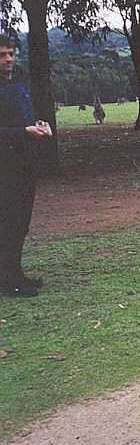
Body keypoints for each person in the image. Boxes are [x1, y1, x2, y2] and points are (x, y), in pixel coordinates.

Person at [0, 34, 52, 298]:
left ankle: (15, 274)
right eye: (2, 55)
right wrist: (24, 131)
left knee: (21, 223)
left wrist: (39, 125)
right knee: (8, 224)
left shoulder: (17, 84)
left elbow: (25, 117)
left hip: (24, 165)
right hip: (5, 168)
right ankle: (8, 282)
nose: (8, 59)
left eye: (11, 53)